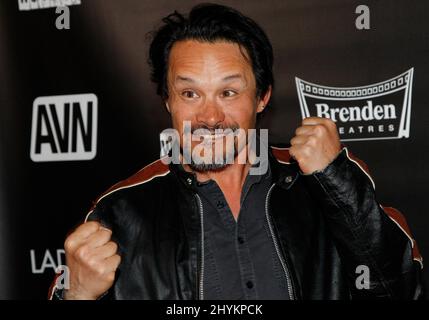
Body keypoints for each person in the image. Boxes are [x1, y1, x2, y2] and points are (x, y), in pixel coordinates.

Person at [49, 3, 423, 300]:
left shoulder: (324, 182)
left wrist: (334, 180)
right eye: (190, 94)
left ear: (262, 98)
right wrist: (77, 295)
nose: (209, 117)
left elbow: (403, 289)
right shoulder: (121, 210)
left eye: (228, 93)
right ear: (167, 101)